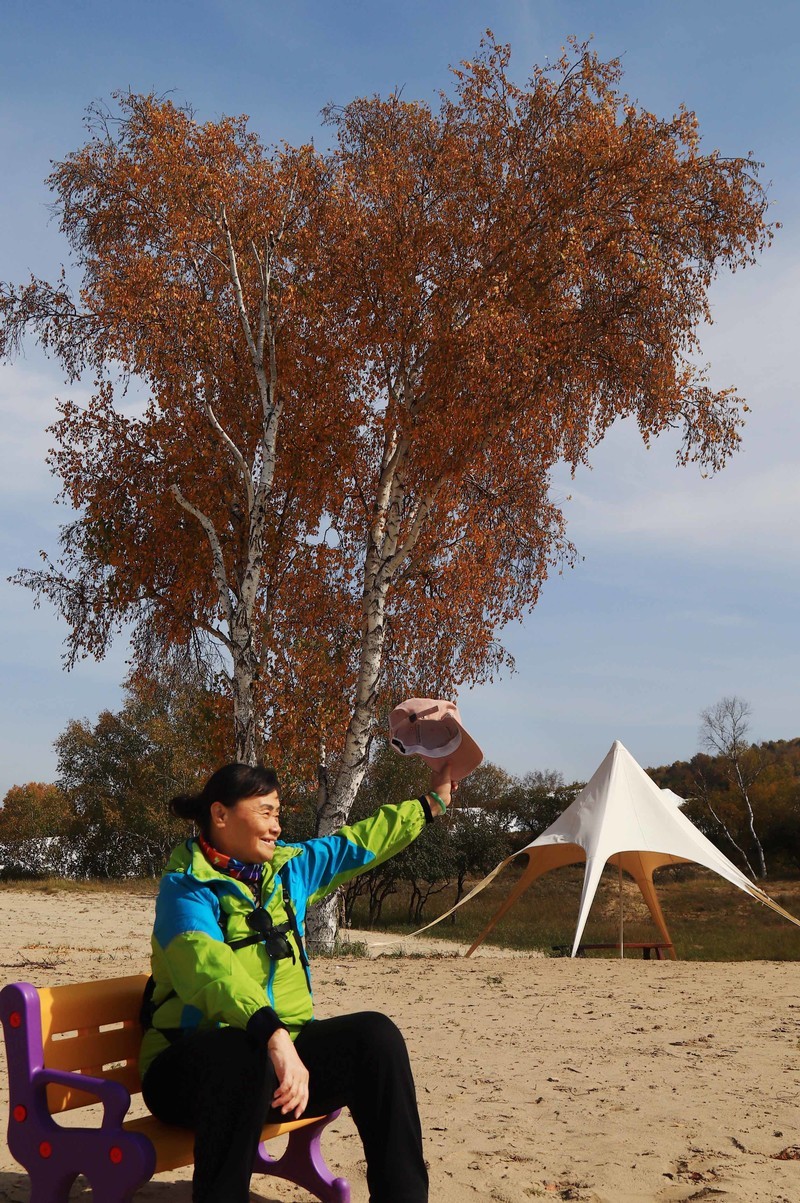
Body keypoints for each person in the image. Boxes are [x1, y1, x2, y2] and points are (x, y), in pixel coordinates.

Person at [139, 760, 453, 1203]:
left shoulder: (289, 872)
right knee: (241, 1055)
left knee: (375, 1038)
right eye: (265, 812)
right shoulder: (185, 888)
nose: (276, 826)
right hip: (186, 1071)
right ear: (221, 814)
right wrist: (272, 1034)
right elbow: (206, 967)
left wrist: (431, 802)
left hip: (277, 1065)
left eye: (278, 813)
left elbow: (358, 843)